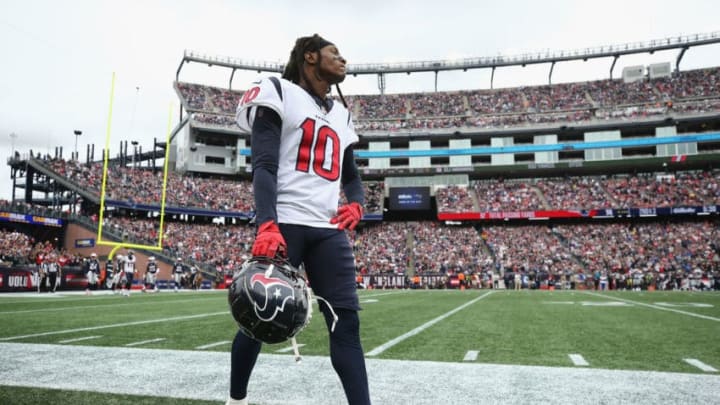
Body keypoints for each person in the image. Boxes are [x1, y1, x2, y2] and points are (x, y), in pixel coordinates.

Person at [228, 34, 370, 405]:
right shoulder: (277, 90)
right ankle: (237, 399)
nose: (343, 59)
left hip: (328, 230)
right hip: (285, 223)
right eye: (333, 53)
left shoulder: (342, 114)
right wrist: (266, 222)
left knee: (346, 325)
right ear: (310, 56)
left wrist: (356, 204)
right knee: (259, 316)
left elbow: (352, 177)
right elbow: (263, 164)